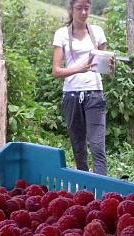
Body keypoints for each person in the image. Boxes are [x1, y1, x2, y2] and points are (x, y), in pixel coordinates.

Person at [52, 0, 114, 176]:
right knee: (78, 147)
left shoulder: (98, 33)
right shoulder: (62, 34)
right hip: (71, 94)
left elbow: (105, 68)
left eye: (86, 8)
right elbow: (56, 71)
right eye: (79, 8)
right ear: (71, 9)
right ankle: (85, 190)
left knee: (97, 147)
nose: (83, 12)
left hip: (95, 93)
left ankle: (102, 191)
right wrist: (80, 68)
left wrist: (110, 65)